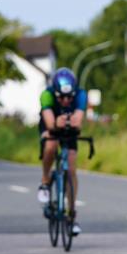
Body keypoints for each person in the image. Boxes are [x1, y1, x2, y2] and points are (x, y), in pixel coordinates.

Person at [37, 68, 87, 237]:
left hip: (69, 128)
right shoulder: (47, 95)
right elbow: (50, 123)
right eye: (61, 97)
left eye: (69, 97)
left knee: (71, 169)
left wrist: (72, 122)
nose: (66, 100)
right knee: (50, 145)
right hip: (50, 123)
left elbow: (78, 121)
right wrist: (56, 123)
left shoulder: (81, 94)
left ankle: (71, 216)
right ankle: (45, 180)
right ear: (55, 92)